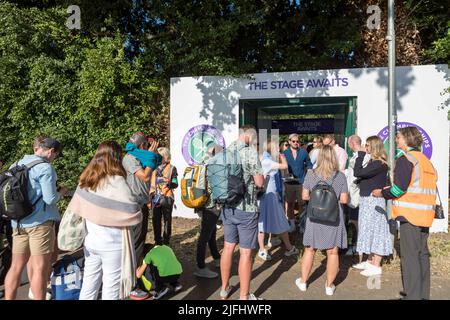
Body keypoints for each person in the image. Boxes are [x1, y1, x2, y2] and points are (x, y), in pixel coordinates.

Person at [68, 141, 142, 300]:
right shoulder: (118, 182)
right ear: (117, 157)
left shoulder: (87, 179)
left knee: (89, 285)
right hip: (113, 245)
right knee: (111, 289)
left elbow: (76, 207)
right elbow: (134, 213)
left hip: (91, 242)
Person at [372, 126, 437, 300]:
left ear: (407, 139)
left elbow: (398, 189)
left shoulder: (405, 159)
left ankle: (413, 296)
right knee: (422, 256)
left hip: (410, 215)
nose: (395, 139)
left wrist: (381, 193)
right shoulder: (425, 160)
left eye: (398, 137)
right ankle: (422, 295)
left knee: (410, 259)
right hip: (425, 216)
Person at [4, 137, 68, 300]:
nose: (54, 159)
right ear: (52, 151)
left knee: (16, 267)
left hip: (18, 222)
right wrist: (61, 192)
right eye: (56, 155)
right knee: (40, 268)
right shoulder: (45, 168)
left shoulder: (16, 164)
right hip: (40, 223)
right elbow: (50, 199)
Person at [295, 145, 349, 296]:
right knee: (332, 252)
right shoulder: (340, 176)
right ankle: (328, 286)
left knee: (309, 249)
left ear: (319, 157)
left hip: (314, 216)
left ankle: (304, 282)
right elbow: (344, 200)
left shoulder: (311, 174)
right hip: (333, 217)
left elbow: (305, 196)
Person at [219, 125, 264, 301]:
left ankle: (224, 288)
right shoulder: (250, 152)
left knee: (228, 247)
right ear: (249, 137)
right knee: (245, 253)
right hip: (247, 208)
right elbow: (259, 182)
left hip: (228, 207)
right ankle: (244, 296)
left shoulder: (226, 151)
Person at [352, 136, 391, 277]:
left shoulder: (379, 163)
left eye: (367, 145)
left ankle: (376, 265)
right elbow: (362, 175)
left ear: (374, 147)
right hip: (367, 200)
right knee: (368, 229)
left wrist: (360, 155)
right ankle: (370, 260)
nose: (365, 147)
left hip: (373, 201)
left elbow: (357, 172)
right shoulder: (373, 162)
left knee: (377, 230)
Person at [257, 140, 299, 261]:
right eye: (277, 148)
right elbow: (285, 166)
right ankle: (289, 248)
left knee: (264, 222)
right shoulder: (268, 161)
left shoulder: (266, 159)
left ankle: (264, 248)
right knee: (278, 221)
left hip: (269, 195)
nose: (279, 150)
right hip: (270, 197)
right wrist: (282, 156)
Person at [123, 132, 161, 263]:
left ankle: (136, 268)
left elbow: (156, 165)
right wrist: (150, 157)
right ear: (142, 145)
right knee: (136, 240)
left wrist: (151, 156)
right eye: (146, 144)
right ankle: (133, 273)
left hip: (142, 202)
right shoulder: (130, 158)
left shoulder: (141, 157)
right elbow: (145, 176)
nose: (148, 147)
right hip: (134, 204)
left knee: (141, 237)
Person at [193, 143, 222, 279]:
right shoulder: (214, 165)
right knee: (205, 235)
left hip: (203, 203)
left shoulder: (202, 163)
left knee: (210, 233)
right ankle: (200, 266)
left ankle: (216, 258)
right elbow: (216, 186)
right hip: (212, 205)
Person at [345, 135, 370, 257]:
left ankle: (358, 246)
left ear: (351, 144)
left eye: (349, 144)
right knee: (354, 221)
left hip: (358, 195)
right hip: (352, 194)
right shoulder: (357, 155)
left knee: (355, 221)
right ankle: (356, 245)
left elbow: (358, 175)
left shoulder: (364, 156)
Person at [283, 133, 313, 232]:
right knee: (290, 204)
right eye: (293, 141)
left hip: (301, 182)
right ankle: (292, 224)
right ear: (289, 142)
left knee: (302, 204)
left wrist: (309, 171)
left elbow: (309, 164)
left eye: (297, 141)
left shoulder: (303, 152)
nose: (296, 143)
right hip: (289, 182)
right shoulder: (285, 153)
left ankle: (302, 224)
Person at [150, 147, 178, 246]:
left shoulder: (172, 168)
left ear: (165, 156)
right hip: (154, 198)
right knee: (155, 220)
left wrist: (168, 183)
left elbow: (176, 183)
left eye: (160, 156)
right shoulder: (152, 167)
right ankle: (157, 241)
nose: (157, 157)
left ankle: (166, 242)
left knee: (167, 220)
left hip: (167, 197)